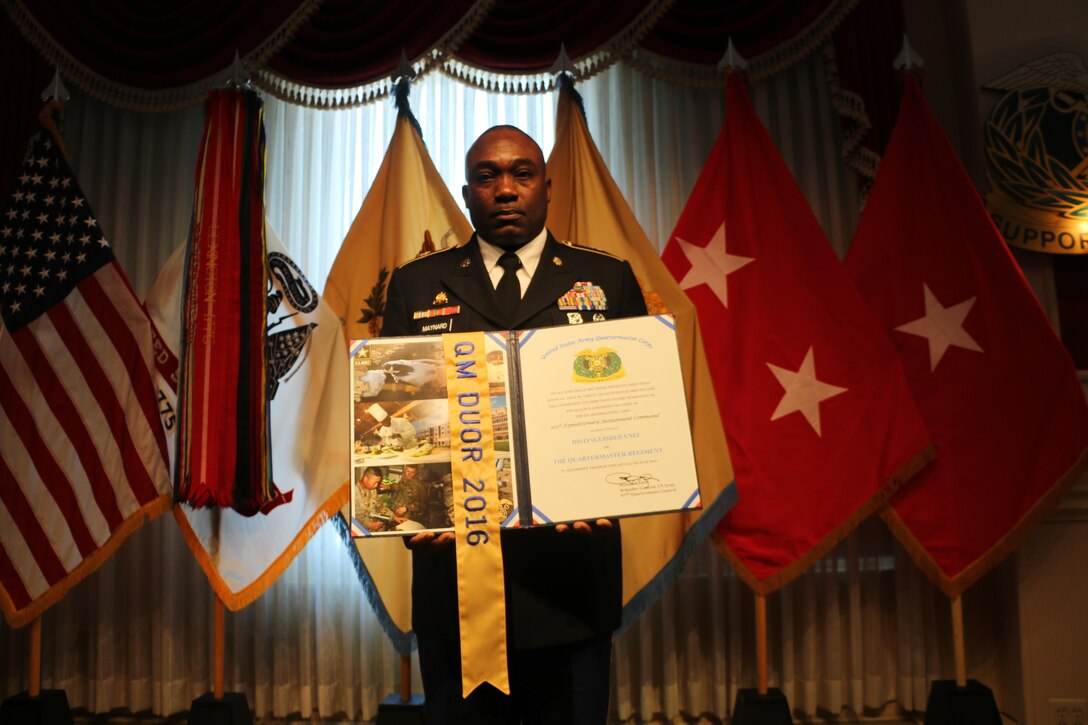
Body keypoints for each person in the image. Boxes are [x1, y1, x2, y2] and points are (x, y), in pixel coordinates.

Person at [380, 125, 648, 724]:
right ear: (467, 191)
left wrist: (621, 483)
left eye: (521, 173)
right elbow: (392, 420)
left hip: (571, 586)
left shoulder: (607, 280)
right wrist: (406, 508)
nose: (505, 189)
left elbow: (635, 414)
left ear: (547, 187)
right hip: (455, 587)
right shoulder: (417, 284)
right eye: (487, 176)